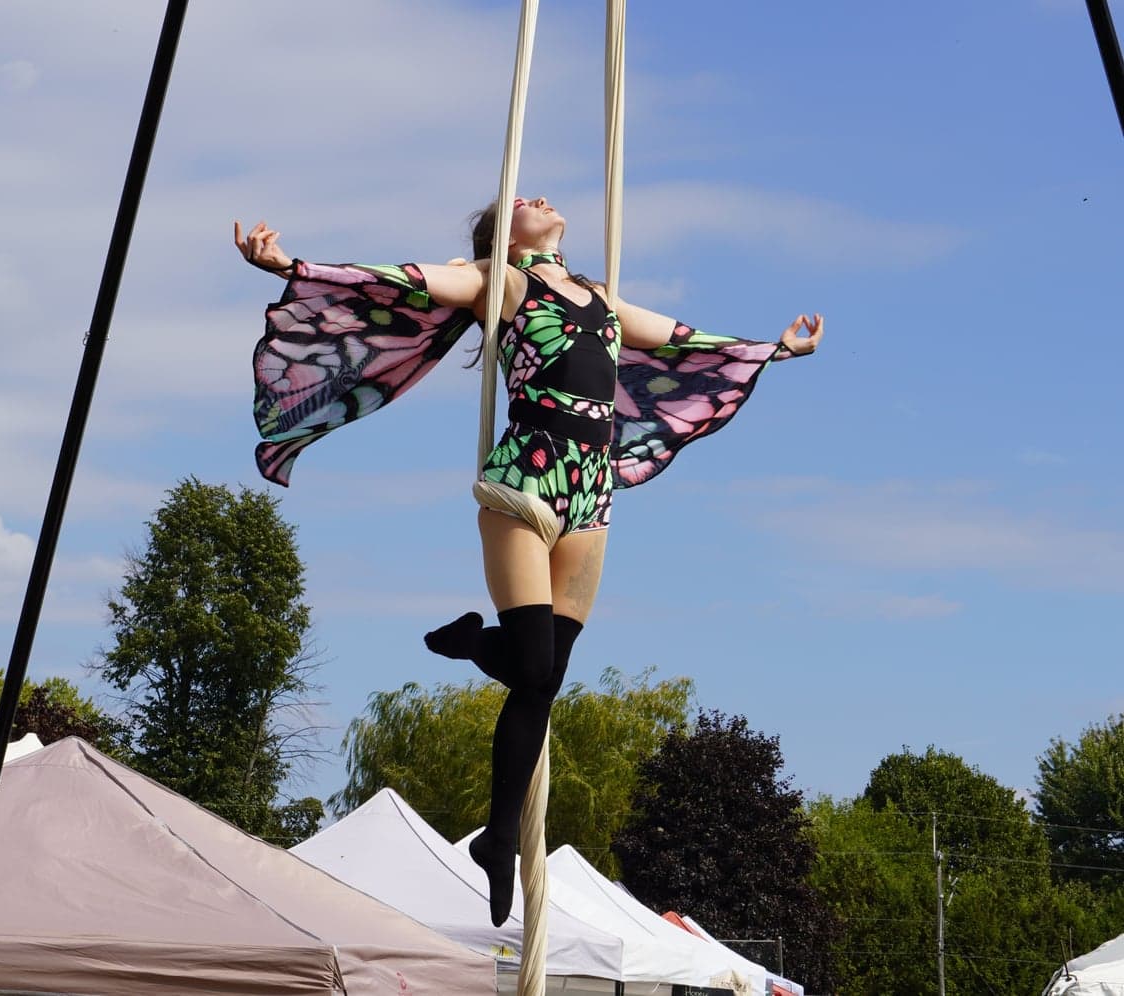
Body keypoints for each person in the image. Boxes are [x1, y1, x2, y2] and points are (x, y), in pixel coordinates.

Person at [235, 199, 823, 925]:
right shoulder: (502, 282)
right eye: (524, 201)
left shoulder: (602, 299)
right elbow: (397, 281)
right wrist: (293, 266)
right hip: (527, 478)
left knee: (543, 680)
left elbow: (679, 341)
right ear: (504, 236)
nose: (542, 202)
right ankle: (501, 821)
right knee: (536, 668)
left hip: (591, 490)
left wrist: (777, 348)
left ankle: (494, 800)